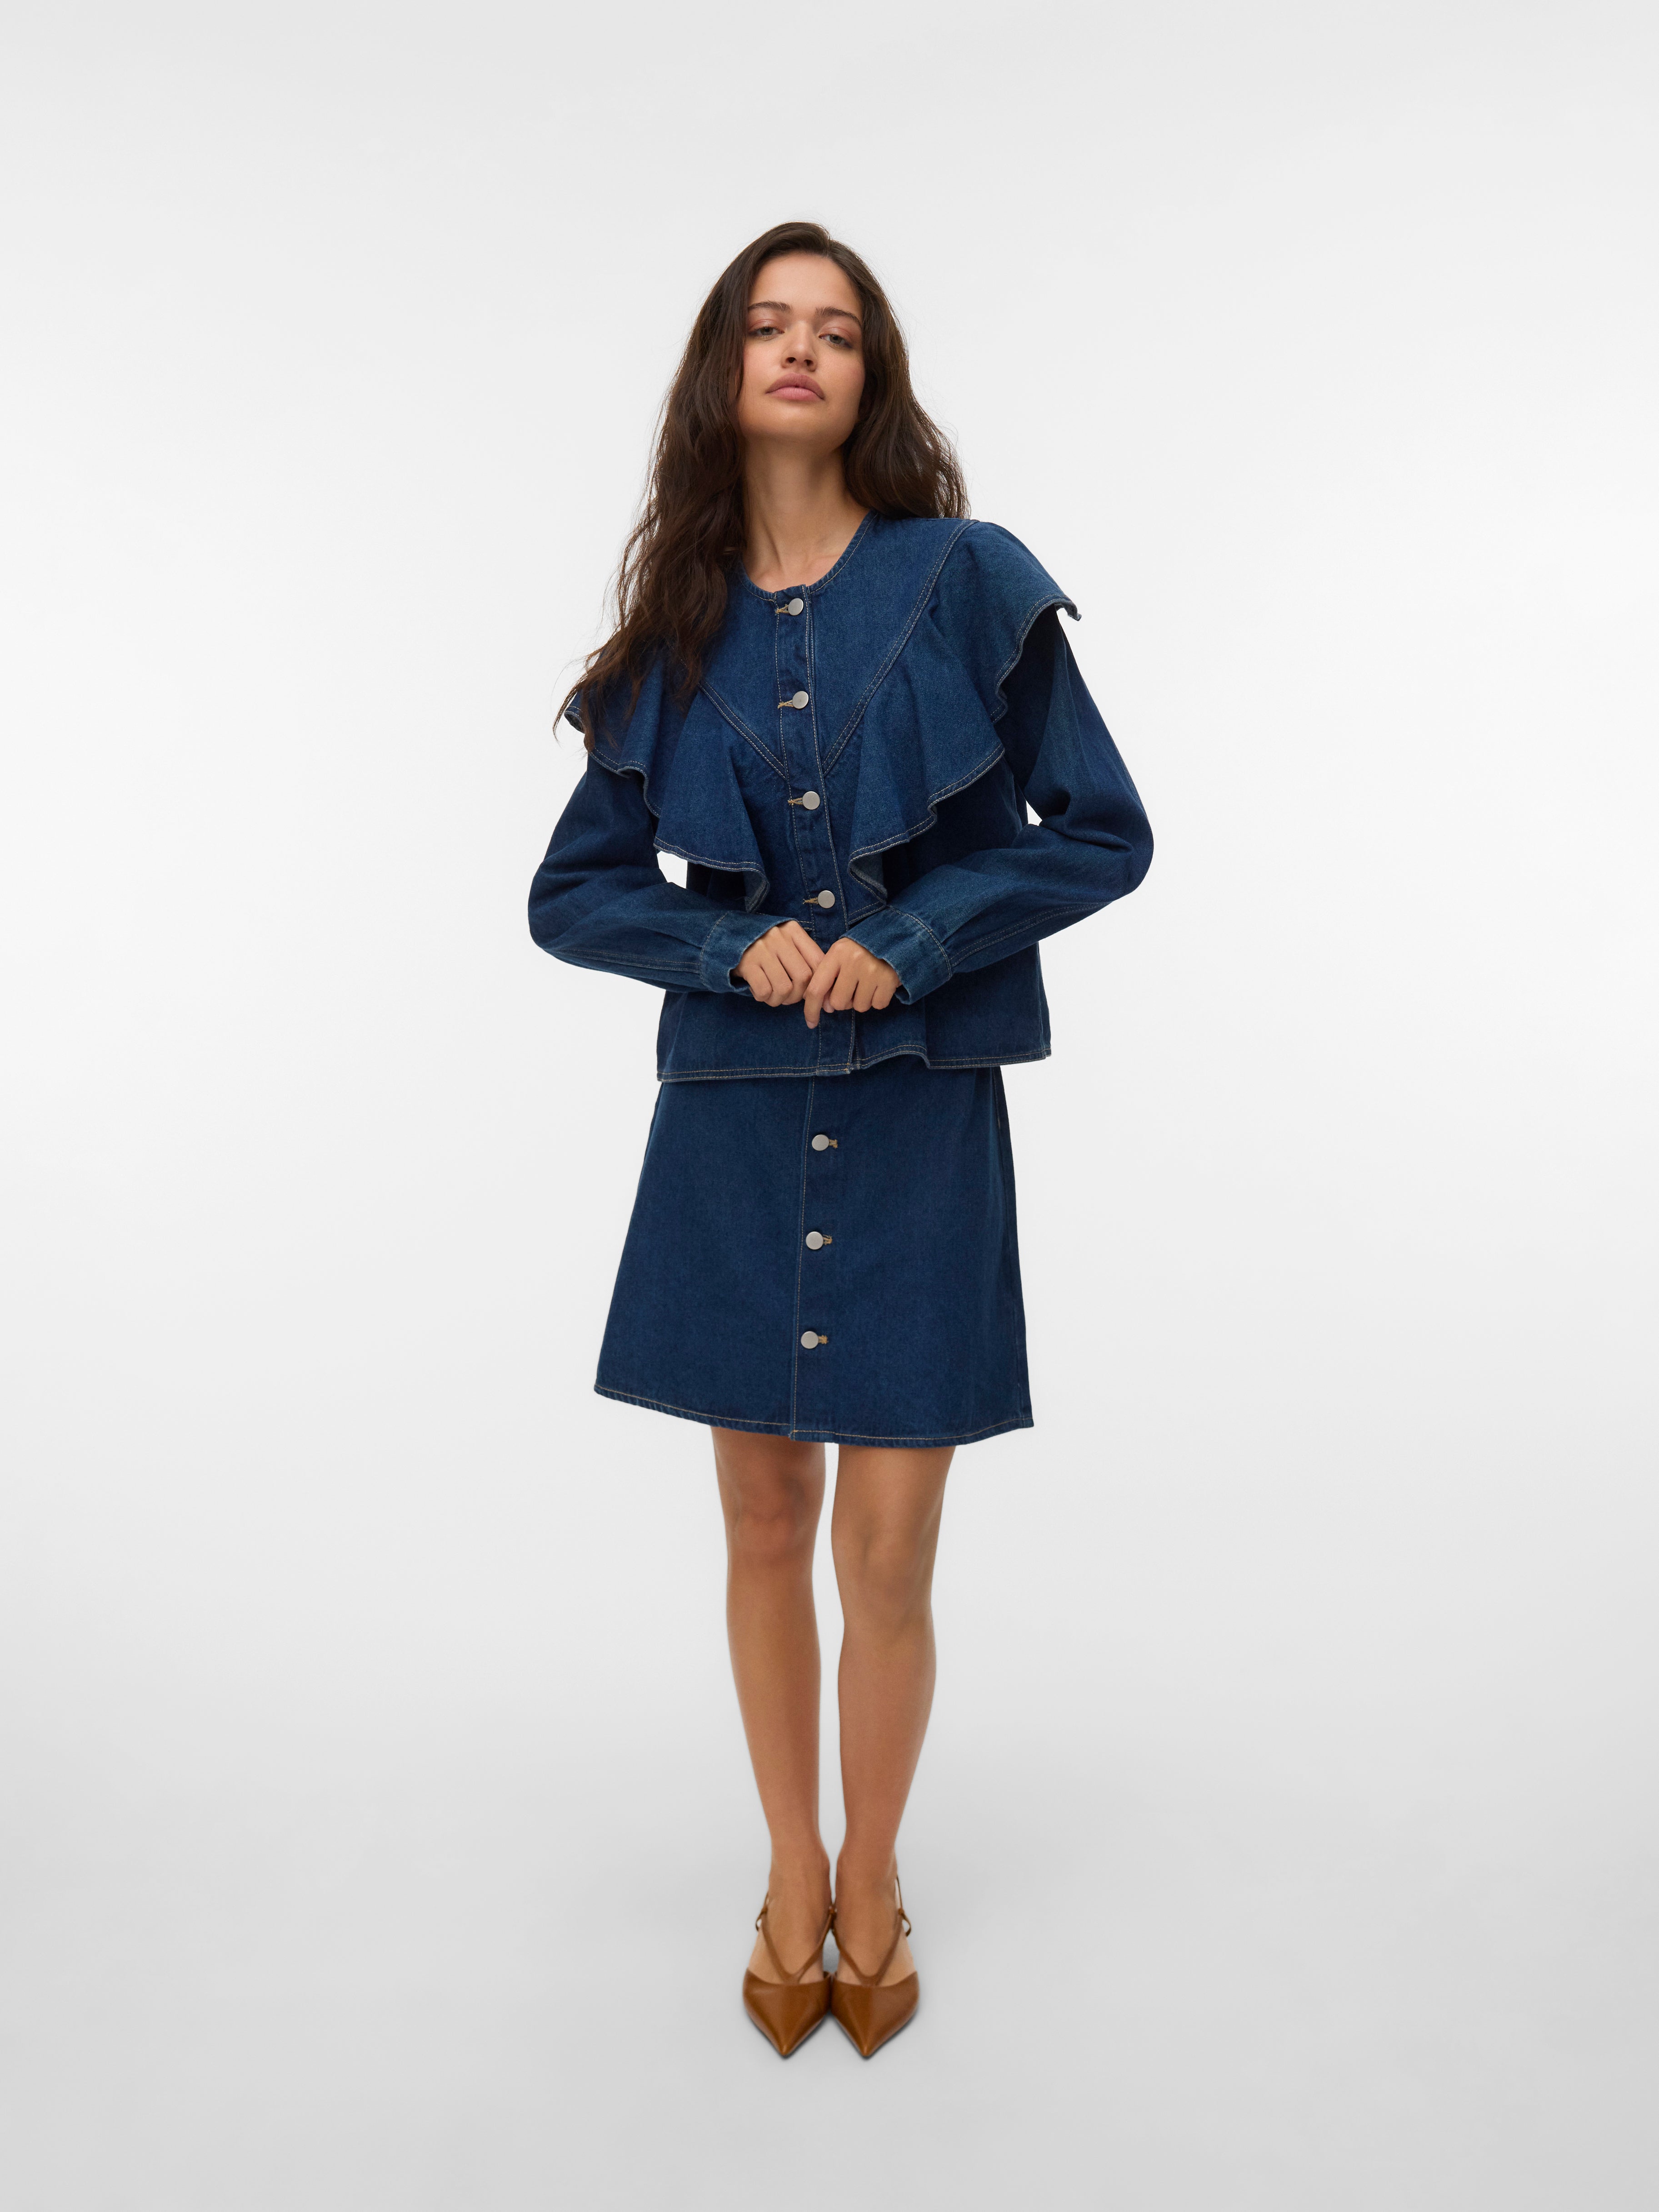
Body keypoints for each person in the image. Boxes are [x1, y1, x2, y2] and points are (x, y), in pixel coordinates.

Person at [528, 220, 1152, 2057]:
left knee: (885, 1556)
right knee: (757, 1526)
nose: (802, 349)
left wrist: (923, 930)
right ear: (722, 370)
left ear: (871, 377)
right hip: (729, 1128)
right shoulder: (666, 644)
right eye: (769, 324)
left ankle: (872, 1873)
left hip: (920, 1115)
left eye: (839, 330)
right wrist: (723, 945)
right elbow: (571, 892)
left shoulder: (964, 578)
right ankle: (788, 1867)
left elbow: (1100, 829)